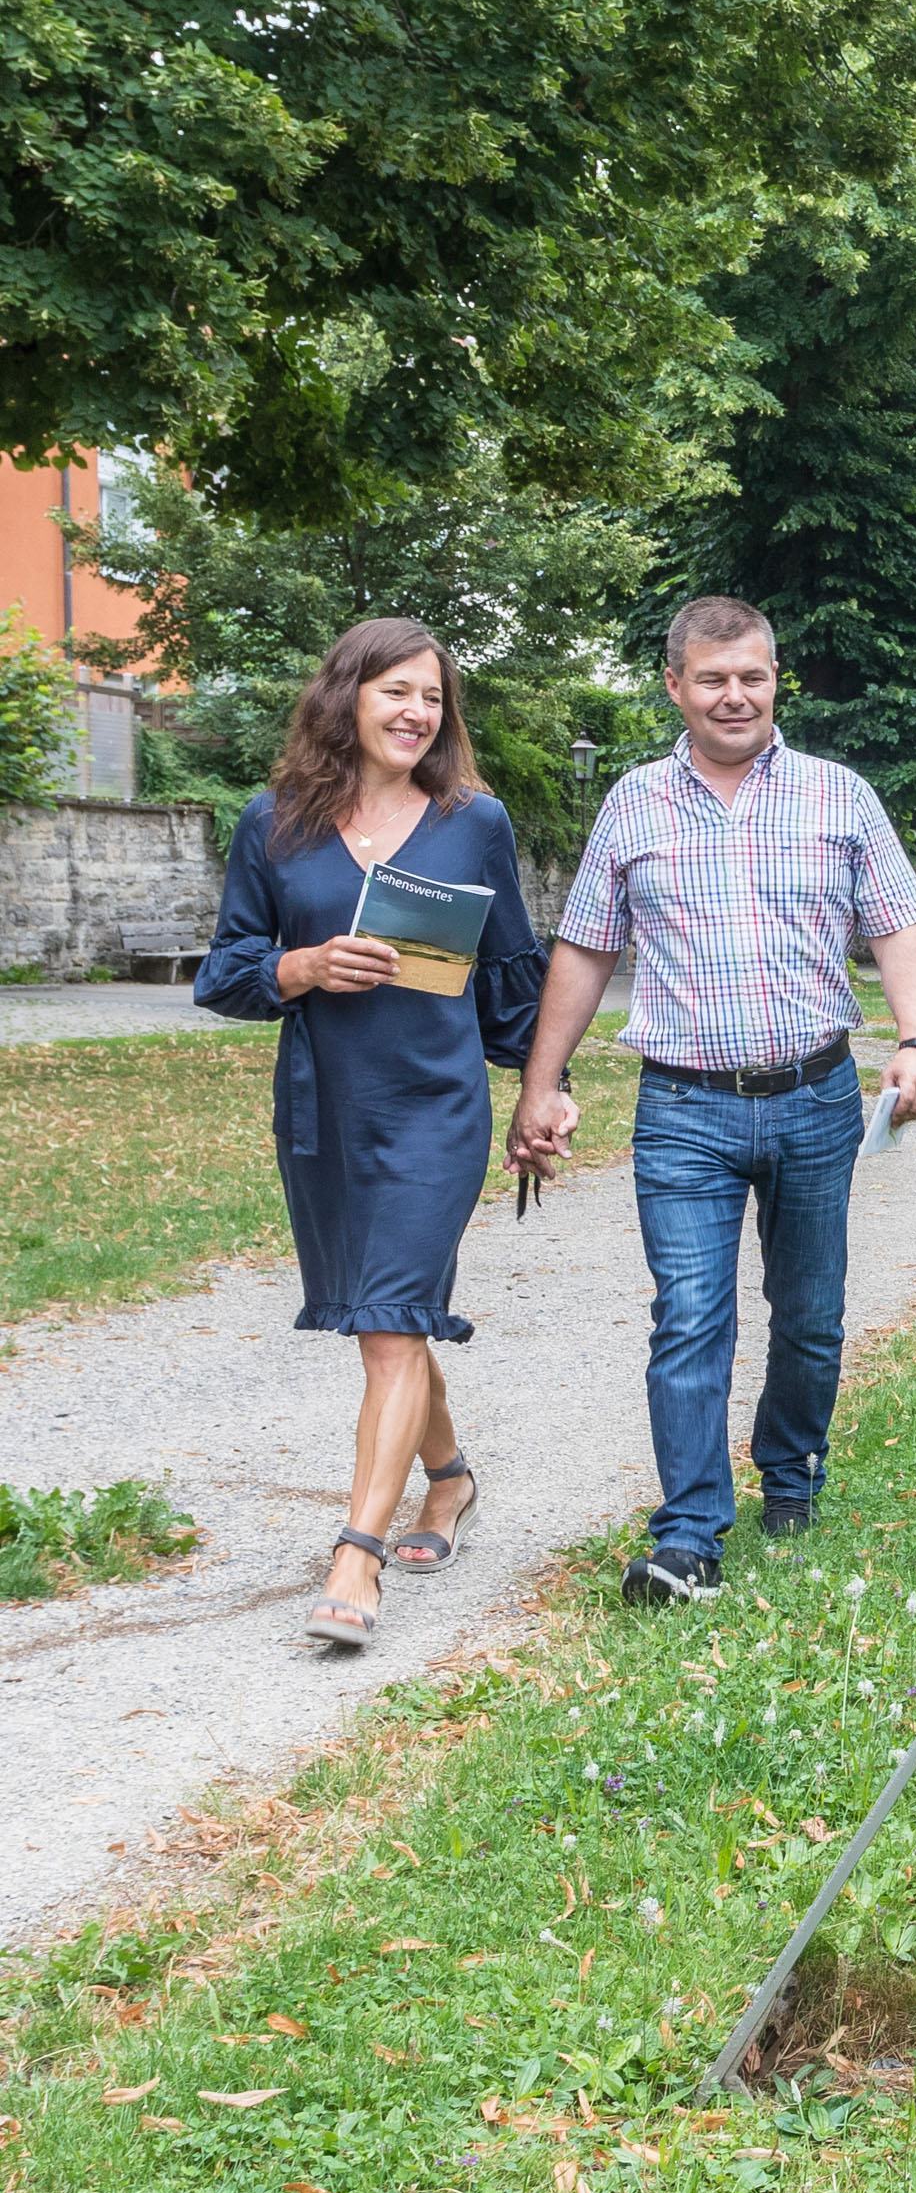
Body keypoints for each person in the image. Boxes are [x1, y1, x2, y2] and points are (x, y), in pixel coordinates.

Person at [511, 596, 916, 1605]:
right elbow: (584, 946)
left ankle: (790, 1475)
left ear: (773, 678)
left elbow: (898, 928)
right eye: (712, 678)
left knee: (809, 1317)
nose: (733, 695)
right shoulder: (632, 803)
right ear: (676, 686)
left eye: (750, 675)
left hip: (814, 1096)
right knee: (690, 1315)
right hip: (683, 1109)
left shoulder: (839, 796)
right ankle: (690, 1537)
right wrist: (542, 1083)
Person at [194, 619, 549, 1653]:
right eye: (396, 691)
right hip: (322, 1111)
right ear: (346, 696)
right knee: (385, 1320)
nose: (416, 713)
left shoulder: (473, 821)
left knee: (392, 1321)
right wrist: (299, 969)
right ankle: (451, 1482)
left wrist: (543, 1087)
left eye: (432, 697)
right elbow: (225, 970)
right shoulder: (274, 824)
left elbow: (510, 972)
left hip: (436, 1109)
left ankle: (358, 1556)